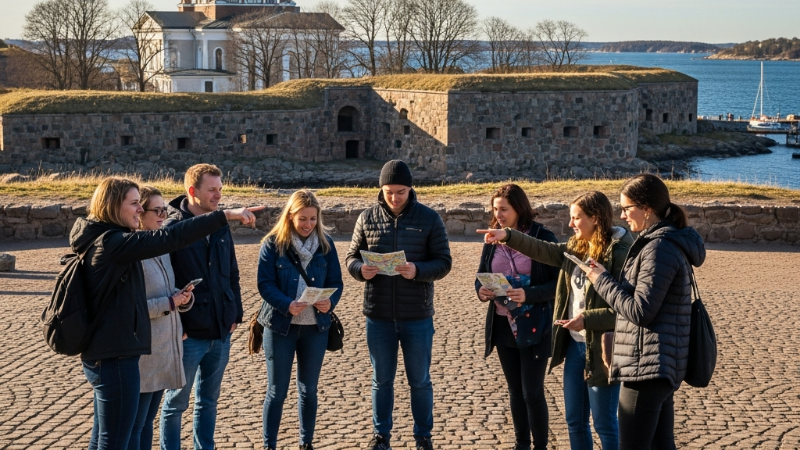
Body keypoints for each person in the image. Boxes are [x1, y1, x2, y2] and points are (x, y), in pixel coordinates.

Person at [71, 177, 256, 450]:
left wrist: (178, 300)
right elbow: (172, 236)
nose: (139, 209)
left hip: (120, 350)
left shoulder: (109, 240)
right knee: (117, 438)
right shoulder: (113, 243)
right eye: (134, 204)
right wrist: (225, 215)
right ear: (113, 205)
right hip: (114, 354)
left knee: (117, 434)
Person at [479, 191, 634, 450]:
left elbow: (628, 309)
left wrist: (587, 319)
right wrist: (507, 236)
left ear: (595, 219)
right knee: (575, 421)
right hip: (574, 345)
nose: (570, 224)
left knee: (604, 423)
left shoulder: (620, 253)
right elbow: (542, 250)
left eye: (576, 218)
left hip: (603, 347)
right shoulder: (576, 246)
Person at [345, 160, 452, 450]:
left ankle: (423, 437)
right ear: (381, 189)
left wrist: (417, 270)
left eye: (401, 192)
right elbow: (351, 257)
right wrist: (360, 270)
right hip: (378, 315)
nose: (394, 198)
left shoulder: (429, 218)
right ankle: (381, 436)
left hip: (417, 315)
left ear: (410, 189)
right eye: (389, 192)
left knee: (420, 381)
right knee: (381, 381)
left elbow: (444, 262)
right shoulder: (367, 217)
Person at [160, 164, 262, 450]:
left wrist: (235, 313)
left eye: (220, 189)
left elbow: (232, 272)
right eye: (212, 190)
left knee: (209, 400)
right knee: (175, 402)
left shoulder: (220, 225)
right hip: (188, 334)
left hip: (221, 330)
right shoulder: (173, 229)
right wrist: (176, 326)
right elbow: (164, 283)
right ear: (193, 191)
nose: (219, 195)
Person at [256, 190, 344, 450]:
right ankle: (269, 445)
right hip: (280, 326)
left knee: (309, 390)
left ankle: (306, 443)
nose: (308, 224)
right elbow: (265, 284)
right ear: (290, 216)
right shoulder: (273, 244)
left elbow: (336, 282)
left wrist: (330, 301)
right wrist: (287, 304)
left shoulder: (326, 245)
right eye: (302, 219)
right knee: (277, 391)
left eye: (313, 219)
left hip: (315, 328)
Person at [473, 184, 559, 450]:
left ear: (519, 209)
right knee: (515, 391)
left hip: (535, 323)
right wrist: (482, 291)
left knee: (532, 392)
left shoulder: (542, 237)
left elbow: (558, 284)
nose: (498, 215)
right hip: (503, 323)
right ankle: (522, 444)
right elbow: (481, 275)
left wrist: (528, 294)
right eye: (495, 209)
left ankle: (540, 446)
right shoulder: (492, 238)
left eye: (504, 209)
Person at [126, 186, 194, 450]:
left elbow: (165, 290)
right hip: (144, 351)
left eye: (165, 209)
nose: (164, 215)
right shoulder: (131, 253)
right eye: (158, 210)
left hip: (163, 347)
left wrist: (181, 296)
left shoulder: (160, 246)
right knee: (136, 424)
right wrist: (170, 302)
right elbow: (129, 308)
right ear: (140, 212)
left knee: (147, 421)